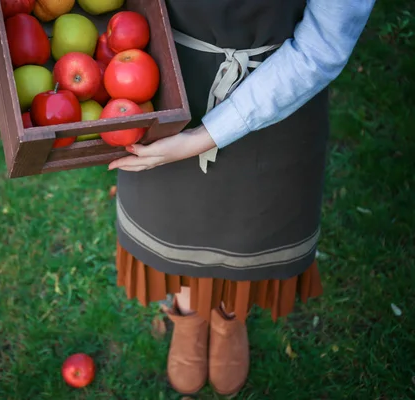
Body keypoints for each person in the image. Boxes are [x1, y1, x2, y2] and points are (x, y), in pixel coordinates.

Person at [108, 0, 377, 396]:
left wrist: (205, 137)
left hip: (278, 91)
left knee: (249, 228)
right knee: (175, 220)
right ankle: (189, 313)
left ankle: (228, 318)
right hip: (162, 79)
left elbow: (324, 44)